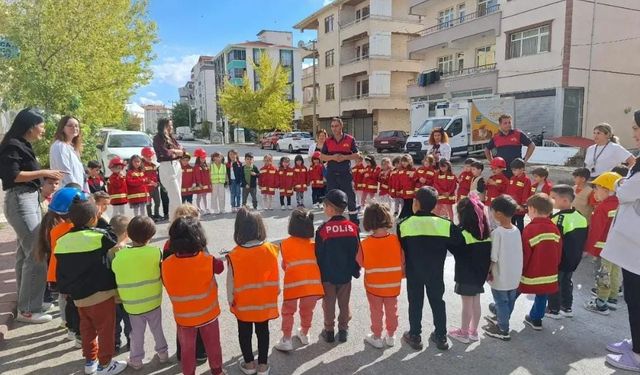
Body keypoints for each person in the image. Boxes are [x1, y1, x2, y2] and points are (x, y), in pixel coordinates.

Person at [0, 108, 64, 323]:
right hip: (21, 201)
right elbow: (13, 176)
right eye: (41, 125)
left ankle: (28, 301)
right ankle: (28, 309)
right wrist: (44, 173)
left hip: (29, 199)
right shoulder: (12, 145)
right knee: (36, 253)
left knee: (24, 254)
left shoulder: (22, 145)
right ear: (30, 126)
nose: (44, 129)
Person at [55, 199, 127, 375]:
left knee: (86, 330)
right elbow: (112, 236)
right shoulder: (98, 237)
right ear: (94, 218)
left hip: (79, 297)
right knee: (105, 329)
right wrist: (100, 218)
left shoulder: (62, 241)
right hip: (100, 293)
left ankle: (90, 362)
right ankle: (106, 363)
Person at [398, 186, 462, 351]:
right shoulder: (445, 224)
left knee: (415, 302)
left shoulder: (404, 224)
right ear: (435, 205)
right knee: (437, 301)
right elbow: (458, 244)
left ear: (416, 203)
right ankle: (441, 336)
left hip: (414, 271)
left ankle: (415, 335)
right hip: (435, 271)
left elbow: (402, 248)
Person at [600, 109, 640, 371]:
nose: (634, 133)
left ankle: (637, 356)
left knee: (636, 297)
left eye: (636, 128)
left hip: (636, 243)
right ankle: (636, 343)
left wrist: (616, 184)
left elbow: (627, 192)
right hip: (631, 240)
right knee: (632, 295)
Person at [163, 217, 225, 375]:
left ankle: (188, 372)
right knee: (213, 345)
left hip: (184, 317)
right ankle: (217, 370)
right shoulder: (208, 260)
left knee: (187, 349)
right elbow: (220, 267)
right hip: (208, 314)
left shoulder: (166, 264)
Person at [227, 208, 279, 375]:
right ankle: (263, 365)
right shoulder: (271, 249)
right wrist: (276, 291)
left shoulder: (235, 255)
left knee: (244, 333)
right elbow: (275, 274)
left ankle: (249, 364)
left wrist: (230, 299)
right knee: (263, 332)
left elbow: (231, 282)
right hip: (264, 301)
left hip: (244, 303)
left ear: (239, 230)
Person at [112, 216, 168, 369]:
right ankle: (163, 354)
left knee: (136, 334)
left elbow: (115, 271)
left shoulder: (120, 256)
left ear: (128, 234)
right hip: (154, 301)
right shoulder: (156, 252)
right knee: (157, 329)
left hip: (132, 305)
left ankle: (136, 360)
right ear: (151, 236)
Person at [37, 187, 88, 338]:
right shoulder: (74, 230)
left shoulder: (56, 228)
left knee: (66, 301)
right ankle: (76, 331)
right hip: (69, 274)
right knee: (74, 304)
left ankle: (69, 326)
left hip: (58, 274)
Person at [275, 209, 323, 352]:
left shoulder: (285, 244)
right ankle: (305, 333)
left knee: (288, 311)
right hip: (312, 286)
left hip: (293, 285)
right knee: (307, 310)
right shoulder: (314, 245)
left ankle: (287, 339)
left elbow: (285, 265)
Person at [315, 189, 361, 344]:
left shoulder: (323, 230)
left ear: (330, 208)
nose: (323, 208)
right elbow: (357, 250)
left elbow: (318, 254)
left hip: (327, 275)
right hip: (345, 274)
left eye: (324, 205)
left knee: (328, 303)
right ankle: (343, 330)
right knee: (344, 302)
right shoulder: (353, 228)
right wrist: (354, 269)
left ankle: (329, 331)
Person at [358, 203, 403, 349]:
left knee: (376, 311)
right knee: (392, 310)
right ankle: (391, 335)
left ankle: (376, 336)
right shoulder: (396, 240)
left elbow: (361, 262)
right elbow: (402, 260)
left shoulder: (364, 243)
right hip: (393, 284)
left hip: (373, 285)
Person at [448, 195, 492, 344]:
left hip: (465, 275)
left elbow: (454, 249)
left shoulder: (463, 234)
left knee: (466, 304)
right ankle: (474, 331)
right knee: (476, 302)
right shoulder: (486, 235)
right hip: (480, 274)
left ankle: (464, 332)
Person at [519, 193, 562, 331]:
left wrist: (520, 270)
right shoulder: (554, 229)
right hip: (549, 273)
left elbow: (525, 254)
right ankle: (536, 319)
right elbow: (558, 251)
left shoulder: (530, 229)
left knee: (514, 291)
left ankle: (500, 310)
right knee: (542, 294)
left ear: (532, 209)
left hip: (531, 272)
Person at [484, 195, 522, 341]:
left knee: (501, 301)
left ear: (498, 213)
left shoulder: (497, 233)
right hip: (514, 275)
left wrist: (487, 273)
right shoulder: (516, 230)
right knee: (509, 301)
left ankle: (503, 328)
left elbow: (493, 258)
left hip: (500, 276)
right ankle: (502, 319)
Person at [546, 185, 588, 319]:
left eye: (553, 198)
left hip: (560, 259)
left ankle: (553, 309)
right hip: (574, 259)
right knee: (567, 282)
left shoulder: (558, 219)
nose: (550, 200)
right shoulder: (580, 216)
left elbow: (553, 241)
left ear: (564, 200)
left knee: (554, 283)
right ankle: (567, 307)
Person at [584, 172, 622, 315]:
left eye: (596, 188)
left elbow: (596, 231)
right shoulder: (621, 205)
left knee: (603, 273)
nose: (594, 192)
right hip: (617, 247)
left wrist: (589, 249)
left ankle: (601, 303)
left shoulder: (602, 208)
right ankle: (612, 299)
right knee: (614, 272)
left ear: (605, 189)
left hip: (603, 249)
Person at [320, 118, 361, 223]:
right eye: (332, 126)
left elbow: (357, 154)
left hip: (345, 174)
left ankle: (354, 223)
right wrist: (333, 157)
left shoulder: (350, 139)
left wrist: (345, 157)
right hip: (332, 174)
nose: (334, 128)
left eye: (336, 126)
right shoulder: (328, 141)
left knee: (351, 199)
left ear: (341, 126)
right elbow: (322, 156)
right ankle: (334, 223)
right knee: (332, 200)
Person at [107, 215, 132, 353]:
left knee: (113, 322)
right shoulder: (127, 251)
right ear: (127, 233)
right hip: (126, 293)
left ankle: (115, 342)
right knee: (129, 321)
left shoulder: (106, 250)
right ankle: (131, 341)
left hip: (111, 294)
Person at [153, 118, 184, 221]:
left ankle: (173, 222)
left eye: (171, 125)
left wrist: (175, 151)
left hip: (176, 165)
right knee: (176, 198)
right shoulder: (158, 138)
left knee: (175, 196)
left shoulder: (171, 138)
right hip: (167, 166)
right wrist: (176, 151)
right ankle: (179, 221)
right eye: (169, 125)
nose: (171, 127)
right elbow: (165, 153)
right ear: (163, 126)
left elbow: (182, 151)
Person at [49, 115, 87, 190]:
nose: (74, 128)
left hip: (77, 192)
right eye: (70, 126)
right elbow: (65, 173)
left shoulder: (73, 148)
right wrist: (77, 191)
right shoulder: (60, 146)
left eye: (76, 126)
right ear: (62, 128)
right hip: (68, 192)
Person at [506, 158, 532, 232]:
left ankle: (520, 235)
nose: (513, 172)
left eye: (515, 170)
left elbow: (526, 193)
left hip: (520, 207)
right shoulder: (512, 178)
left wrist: (523, 205)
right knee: (511, 221)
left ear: (522, 169)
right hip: (511, 206)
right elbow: (508, 191)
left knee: (520, 222)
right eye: (512, 170)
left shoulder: (526, 180)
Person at [140, 147, 161, 221]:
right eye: (147, 156)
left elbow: (156, 175)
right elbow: (143, 176)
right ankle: (150, 216)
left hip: (155, 187)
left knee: (158, 202)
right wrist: (151, 182)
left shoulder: (153, 164)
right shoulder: (142, 166)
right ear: (143, 156)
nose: (149, 157)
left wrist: (157, 182)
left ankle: (156, 214)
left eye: (150, 156)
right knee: (149, 203)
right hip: (147, 188)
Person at [396, 154, 416, 219]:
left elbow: (415, 181)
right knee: (408, 207)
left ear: (410, 162)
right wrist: (398, 190)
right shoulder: (400, 171)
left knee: (408, 206)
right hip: (404, 193)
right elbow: (398, 182)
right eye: (403, 161)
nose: (404, 163)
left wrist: (413, 177)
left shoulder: (413, 170)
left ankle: (401, 218)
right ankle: (409, 219)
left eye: (406, 161)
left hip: (410, 193)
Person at [193, 148, 212, 214]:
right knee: (199, 196)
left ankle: (206, 208)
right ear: (198, 158)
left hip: (206, 184)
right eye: (201, 158)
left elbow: (208, 176)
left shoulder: (205, 165)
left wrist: (209, 183)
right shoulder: (197, 166)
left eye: (204, 158)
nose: (203, 159)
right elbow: (197, 176)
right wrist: (199, 183)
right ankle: (199, 208)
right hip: (200, 184)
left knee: (205, 196)